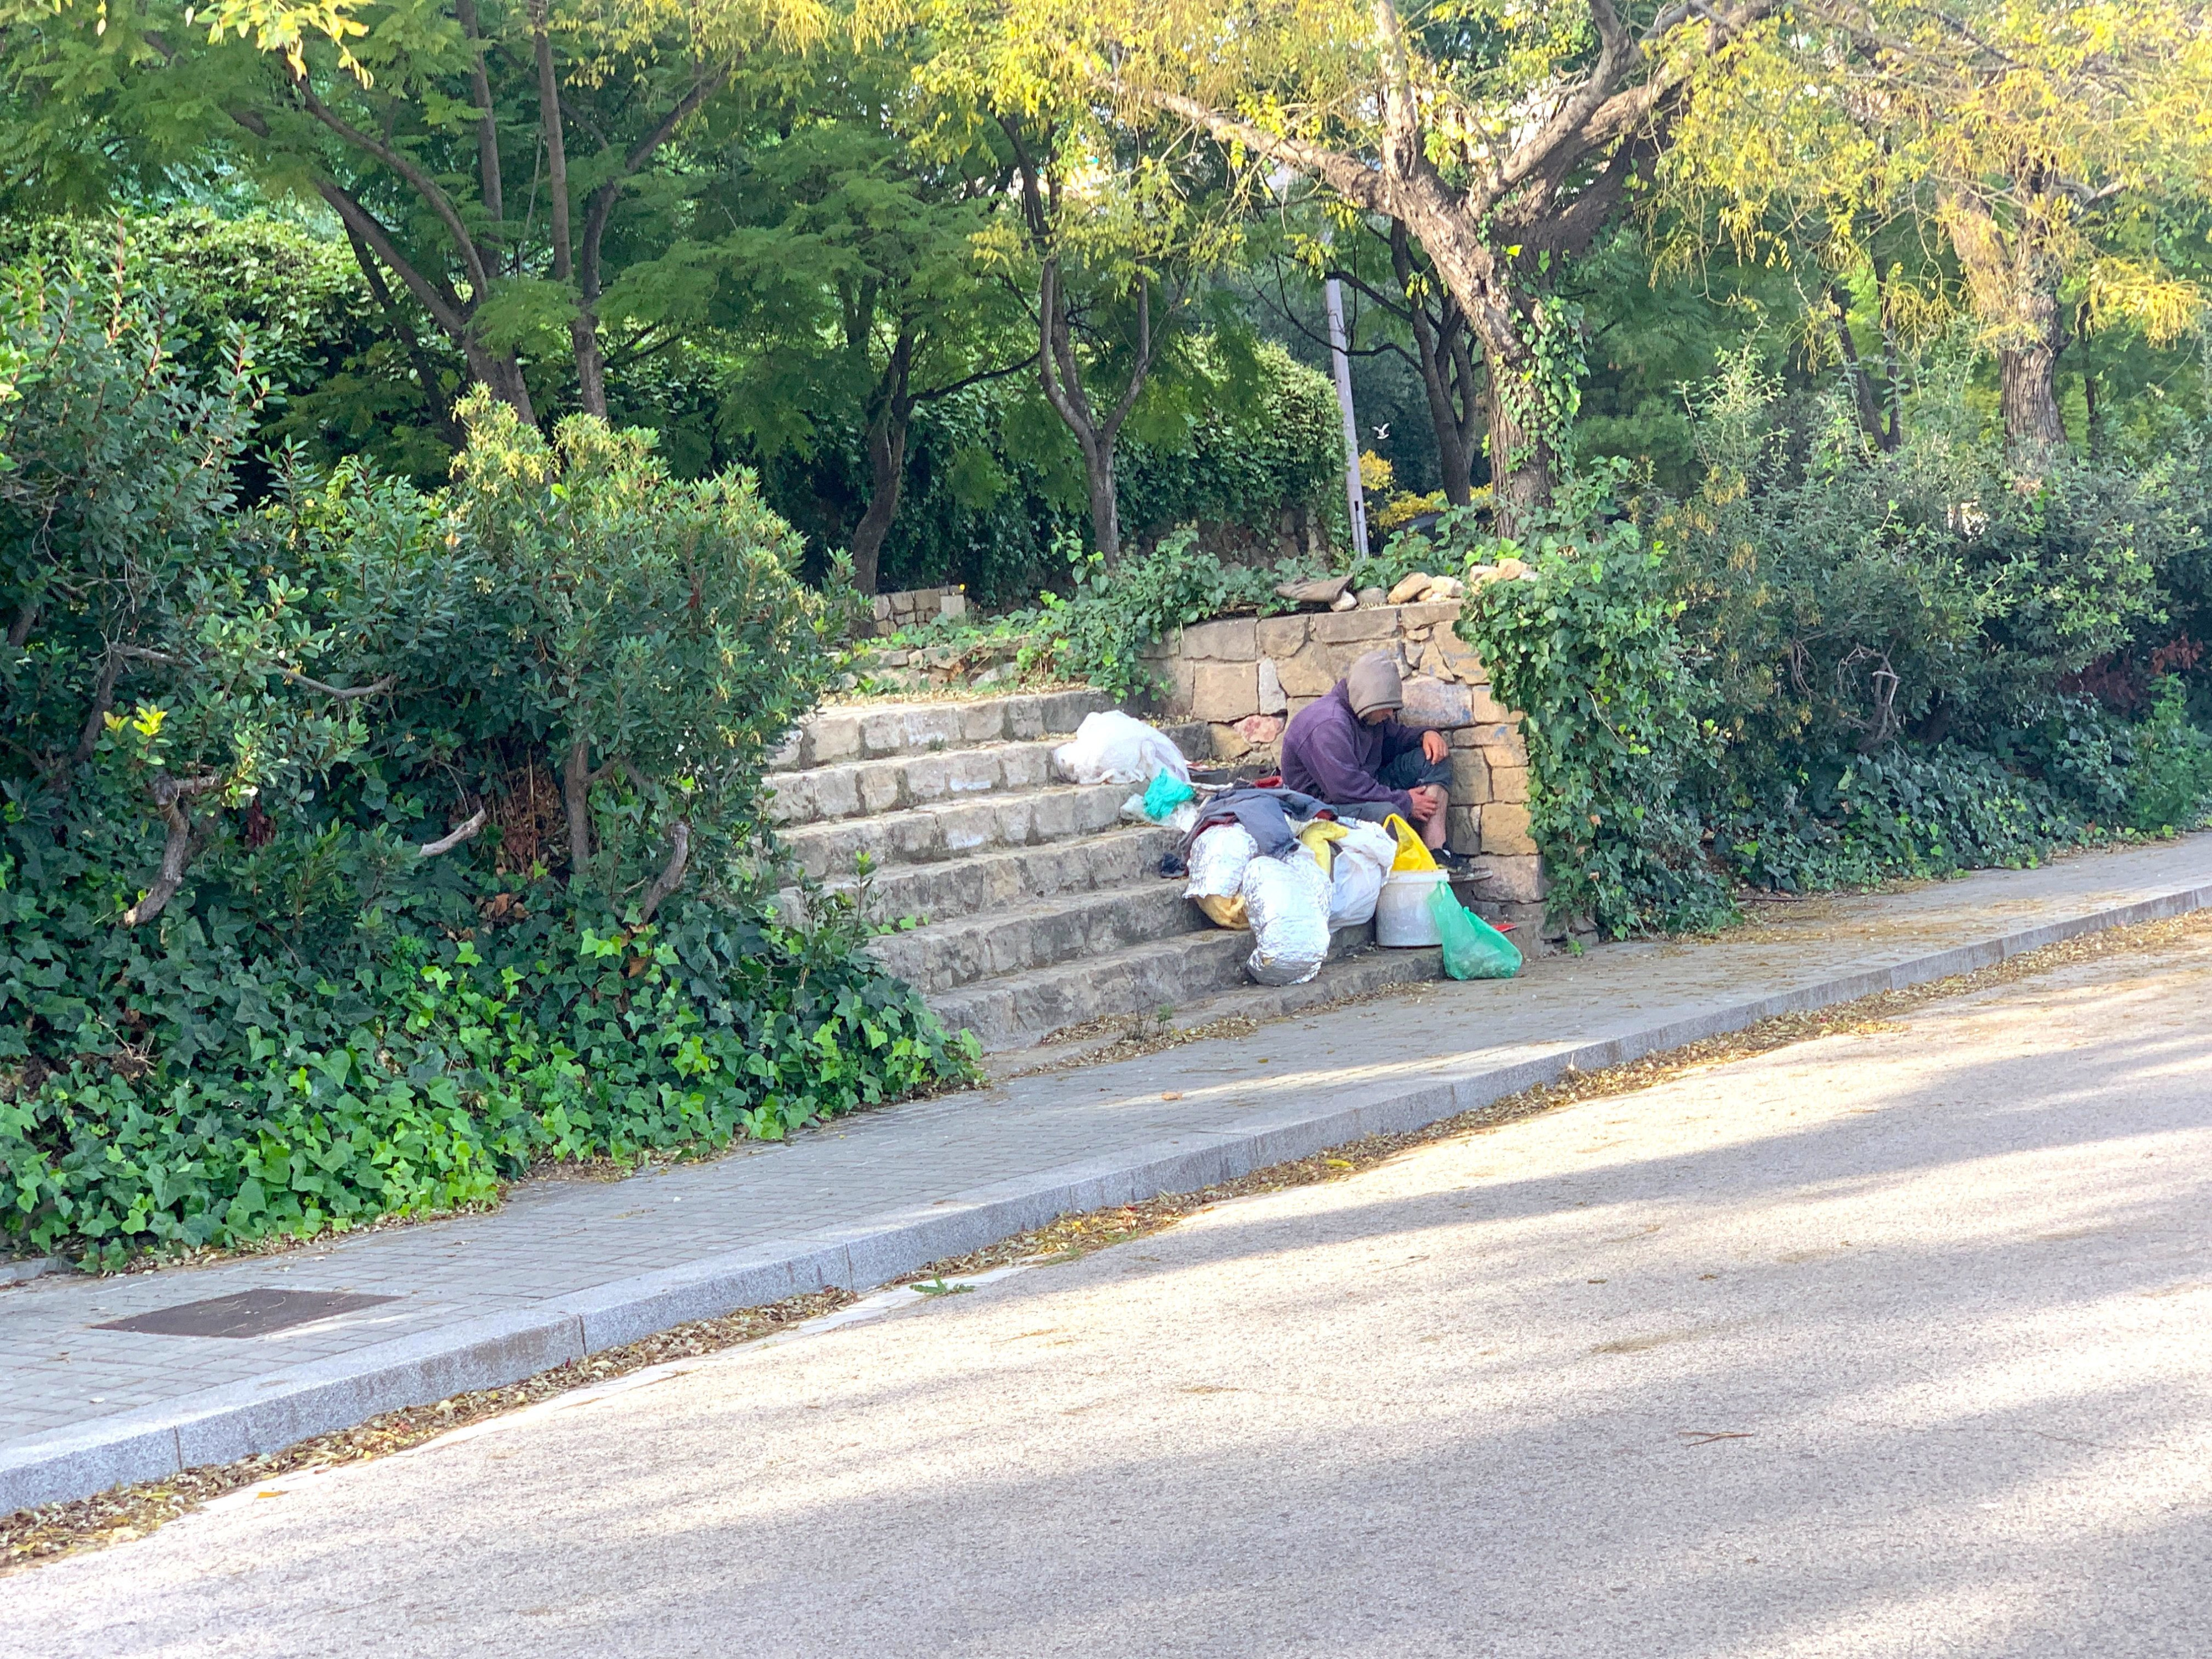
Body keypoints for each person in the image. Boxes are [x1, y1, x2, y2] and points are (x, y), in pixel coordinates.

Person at [1279, 650, 1455, 857]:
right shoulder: (1328, 725)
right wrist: (1405, 802)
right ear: (1369, 701)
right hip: (1323, 808)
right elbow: (1346, 788)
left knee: (1432, 759)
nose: (1390, 714)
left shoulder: (1368, 715)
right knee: (1389, 815)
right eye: (1387, 708)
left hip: (1363, 788)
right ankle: (1401, 873)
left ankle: (1439, 854)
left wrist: (1425, 735)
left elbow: (1395, 738)